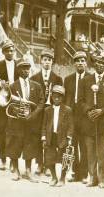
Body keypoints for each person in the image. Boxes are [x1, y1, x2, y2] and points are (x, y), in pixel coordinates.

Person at [78, 55, 104, 188]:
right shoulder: (85, 80)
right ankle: (92, 177)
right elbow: (80, 100)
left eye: (103, 63)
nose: (100, 65)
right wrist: (89, 111)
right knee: (90, 152)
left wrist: (102, 111)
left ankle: (102, 179)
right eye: (98, 62)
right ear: (94, 64)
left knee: (102, 152)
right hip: (89, 122)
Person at [5, 58, 45, 181]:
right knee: (15, 145)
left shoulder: (36, 85)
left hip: (31, 121)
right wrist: (16, 111)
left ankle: (28, 170)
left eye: (28, 68)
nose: (26, 70)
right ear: (18, 70)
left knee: (30, 145)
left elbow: (41, 102)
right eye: (23, 68)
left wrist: (33, 115)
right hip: (17, 122)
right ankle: (16, 170)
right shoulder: (12, 86)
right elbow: (8, 103)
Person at [30, 48, 63, 176]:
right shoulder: (34, 77)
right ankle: (39, 163)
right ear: (41, 61)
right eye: (45, 60)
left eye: (49, 60)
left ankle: (49, 165)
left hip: (51, 111)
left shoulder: (58, 78)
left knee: (51, 137)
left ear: (52, 62)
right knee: (39, 136)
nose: (47, 62)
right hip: (39, 111)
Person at [0, 39, 18, 171]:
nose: (10, 52)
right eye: (7, 50)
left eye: (12, 50)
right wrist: (0, 85)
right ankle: (2, 158)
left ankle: (13, 160)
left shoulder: (20, 65)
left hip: (15, 102)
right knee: (0, 131)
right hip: (1, 103)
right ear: (3, 52)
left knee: (14, 132)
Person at [64, 51, 90, 183]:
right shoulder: (68, 79)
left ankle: (84, 173)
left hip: (85, 117)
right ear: (74, 63)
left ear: (86, 63)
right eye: (77, 60)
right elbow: (66, 99)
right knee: (72, 145)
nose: (80, 63)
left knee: (84, 146)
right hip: (72, 117)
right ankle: (74, 171)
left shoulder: (91, 79)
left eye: (82, 60)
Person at [41, 85, 74, 187]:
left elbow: (71, 125)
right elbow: (44, 125)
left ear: (62, 98)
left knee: (64, 158)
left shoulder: (67, 110)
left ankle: (62, 178)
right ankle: (54, 177)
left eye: (59, 97)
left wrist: (69, 137)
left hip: (62, 137)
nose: (56, 99)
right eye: (54, 96)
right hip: (51, 136)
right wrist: (43, 137)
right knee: (49, 158)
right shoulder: (47, 110)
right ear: (51, 97)